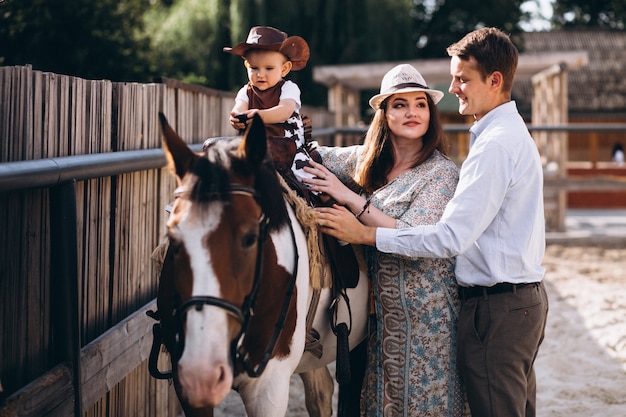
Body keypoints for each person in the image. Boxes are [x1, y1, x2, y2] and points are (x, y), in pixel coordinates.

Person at [315, 28, 549, 417]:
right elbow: (320, 155)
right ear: (383, 114)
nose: (454, 87)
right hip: (501, 303)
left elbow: (447, 238)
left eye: (462, 78)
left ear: (494, 81)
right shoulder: (496, 137)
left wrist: (364, 232)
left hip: (497, 306)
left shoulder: (491, 148)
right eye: (399, 105)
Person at [303, 64, 467, 416]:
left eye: (420, 104)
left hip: (427, 312)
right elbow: (311, 157)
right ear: (384, 113)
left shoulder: (441, 173)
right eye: (400, 104)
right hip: (379, 315)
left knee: (425, 403)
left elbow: (410, 232)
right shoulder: (364, 160)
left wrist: (348, 199)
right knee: (379, 402)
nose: (412, 112)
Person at [224, 25, 317, 200]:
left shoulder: (288, 88)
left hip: (287, 147)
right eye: (254, 68)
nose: (260, 74)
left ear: (284, 69)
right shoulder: (246, 91)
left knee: (309, 178)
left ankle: (319, 204)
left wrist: (258, 116)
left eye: (268, 68)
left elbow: (284, 111)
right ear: (246, 66)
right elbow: (239, 108)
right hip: (254, 146)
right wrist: (236, 118)